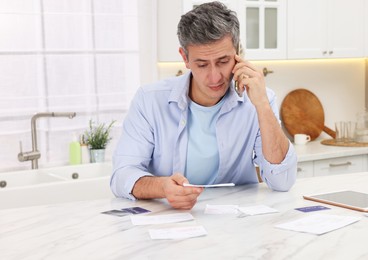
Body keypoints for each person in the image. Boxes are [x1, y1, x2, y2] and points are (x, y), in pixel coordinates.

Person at [111, 1, 297, 210]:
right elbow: (122, 175)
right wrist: (163, 187)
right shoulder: (149, 100)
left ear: (237, 53)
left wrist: (262, 105)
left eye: (223, 61)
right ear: (185, 58)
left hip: (238, 224)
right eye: (202, 64)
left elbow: (282, 182)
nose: (214, 76)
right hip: (170, 219)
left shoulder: (259, 100)